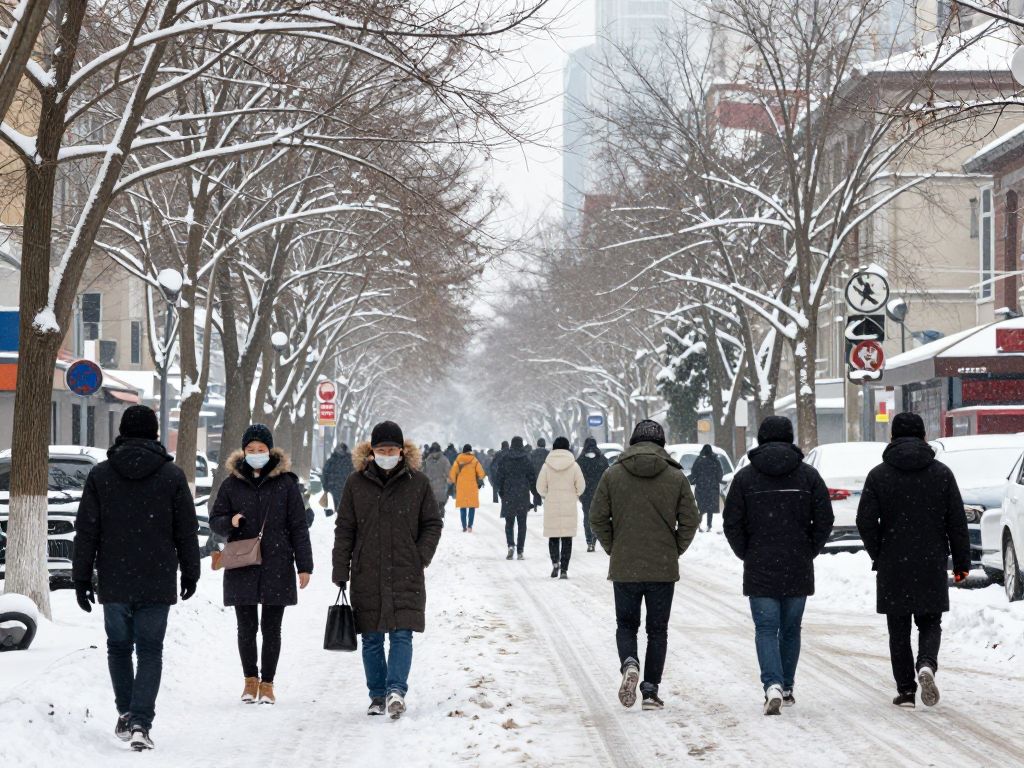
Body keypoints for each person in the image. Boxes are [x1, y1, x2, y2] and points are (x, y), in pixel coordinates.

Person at [72, 405, 201, 752]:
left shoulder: (101, 475)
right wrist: (191, 571)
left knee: (118, 648)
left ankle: (127, 713)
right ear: (155, 434)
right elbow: (186, 531)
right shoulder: (172, 476)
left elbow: (86, 531)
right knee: (150, 651)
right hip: (157, 577)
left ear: (122, 433)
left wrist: (81, 578)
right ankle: (141, 721)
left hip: (114, 577)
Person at [856, 412, 971, 709]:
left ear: (892, 437)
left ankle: (906, 691)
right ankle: (927, 664)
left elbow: (864, 520)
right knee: (930, 621)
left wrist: (879, 552)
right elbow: (956, 521)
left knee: (898, 629)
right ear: (924, 437)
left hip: (893, 562)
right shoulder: (941, 474)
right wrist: (961, 564)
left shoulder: (878, 475)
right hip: (931, 559)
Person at [722, 416, 834, 716]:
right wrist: (809, 549)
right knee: (791, 629)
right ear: (790, 437)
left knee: (766, 628)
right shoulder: (809, 476)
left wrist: (747, 552)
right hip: (797, 564)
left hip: (760, 565)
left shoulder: (745, 478)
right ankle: (786, 686)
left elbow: (731, 522)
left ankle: (772, 683)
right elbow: (825, 519)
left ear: (760, 439)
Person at [332, 421, 443, 719]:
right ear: (371, 451)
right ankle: (377, 695)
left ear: (402, 451)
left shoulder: (418, 483)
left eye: (392, 450)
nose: (387, 455)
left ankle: (396, 690)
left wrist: (420, 556)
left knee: (402, 634)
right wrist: (341, 568)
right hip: (366, 572)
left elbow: (432, 523)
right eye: (381, 450)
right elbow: (345, 529)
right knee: (371, 638)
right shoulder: (356, 483)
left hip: (406, 570)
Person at [590, 419, 700, 711]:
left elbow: (597, 517)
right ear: (662, 444)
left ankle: (629, 662)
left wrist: (615, 547)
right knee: (657, 630)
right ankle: (650, 691)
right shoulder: (676, 477)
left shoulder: (612, 474)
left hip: (625, 566)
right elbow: (690, 520)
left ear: (632, 443)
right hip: (662, 567)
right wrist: (674, 548)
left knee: (626, 625)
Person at [209, 424, 314, 707]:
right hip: (242, 564)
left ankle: (267, 684)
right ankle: (249, 681)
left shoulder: (286, 484)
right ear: (243, 452)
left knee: (271, 629)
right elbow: (215, 521)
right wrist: (229, 521)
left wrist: (304, 566)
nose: (256, 453)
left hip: (277, 563)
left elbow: (299, 527)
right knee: (246, 628)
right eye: (251, 449)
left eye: (261, 449)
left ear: (270, 451)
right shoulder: (231, 484)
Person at [537, 436, 586, 578]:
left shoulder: (546, 466)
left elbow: (540, 487)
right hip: (569, 505)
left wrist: (547, 495)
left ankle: (555, 563)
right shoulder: (574, 466)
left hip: (551, 505)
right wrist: (574, 494)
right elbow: (581, 486)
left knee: (553, 537)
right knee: (567, 538)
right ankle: (564, 569)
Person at [496, 436, 537, 560]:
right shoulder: (526, 459)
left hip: (509, 493)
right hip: (522, 494)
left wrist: (501, 492)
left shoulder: (505, 459)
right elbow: (532, 477)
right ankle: (520, 550)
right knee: (522, 524)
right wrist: (535, 493)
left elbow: (499, 477)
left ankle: (510, 545)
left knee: (509, 523)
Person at [577, 437, 610, 552]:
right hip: (599, 493)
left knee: (587, 516)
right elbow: (608, 476)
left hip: (585, 493)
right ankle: (594, 538)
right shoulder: (602, 460)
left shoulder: (580, 461)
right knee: (597, 517)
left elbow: (576, 477)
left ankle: (589, 541)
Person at [450, 444, 486, 532]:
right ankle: (470, 526)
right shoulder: (474, 460)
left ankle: (464, 526)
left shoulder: (458, 460)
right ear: (470, 451)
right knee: (471, 506)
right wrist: (478, 477)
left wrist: (454, 482)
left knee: (463, 507)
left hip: (461, 486)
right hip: (472, 486)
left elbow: (453, 473)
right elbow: (482, 473)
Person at [690, 444, 724, 532]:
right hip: (712, 488)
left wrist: (694, 480)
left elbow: (694, 472)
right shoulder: (715, 460)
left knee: (701, 507)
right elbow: (720, 473)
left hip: (701, 487)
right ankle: (709, 525)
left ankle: (699, 524)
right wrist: (718, 480)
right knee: (710, 508)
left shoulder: (699, 460)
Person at [322, 443, 354, 512]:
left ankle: (338, 513)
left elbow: (325, 473)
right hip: (344, 488)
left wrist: (325, 487)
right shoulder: (350, 461)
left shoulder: (332, 460)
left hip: (334, 487)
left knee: (338, 506)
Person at [422, 443, 452, 518]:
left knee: (435, 510)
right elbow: (424, 472)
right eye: (433, 451)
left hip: (436, 489)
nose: (434, 453)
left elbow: (423, 472)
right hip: (435, 489)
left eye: (436, 451)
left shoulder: (431, 460)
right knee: (435, 510)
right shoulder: (431, 460)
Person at [529, 438, 549, 507]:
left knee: (536, 489)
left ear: (537, 444)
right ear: (544, 444)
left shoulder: (532, 453)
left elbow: (530, 463)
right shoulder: (548, 453)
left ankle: (536, 502)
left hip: (535, 475)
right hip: (545, 475)